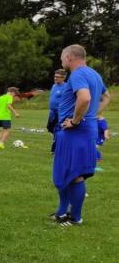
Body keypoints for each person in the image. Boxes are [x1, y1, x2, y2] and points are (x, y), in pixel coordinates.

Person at [51, 44, 111, 226]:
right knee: (67, 172)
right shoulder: (94, 74)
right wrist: (92, 115)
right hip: (84, 129)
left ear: (69, 57)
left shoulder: (78, 74)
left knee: (74, 173)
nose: (61, 60)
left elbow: (84, 98)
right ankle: (62, 212)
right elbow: (107, 97)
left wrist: (76, 120)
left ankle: (75, 217)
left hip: (75, 131)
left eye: (62, 57)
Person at [48, 70, 66, 153]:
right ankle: (59, 141)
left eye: (58, 77)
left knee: (57, 130)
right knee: (50, 128)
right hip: (52, 112)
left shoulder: (66, 87)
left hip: (60, 113)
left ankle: (55, 149)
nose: (55, 78)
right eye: (55, 76)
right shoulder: (54, 86)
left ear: (63, 78)